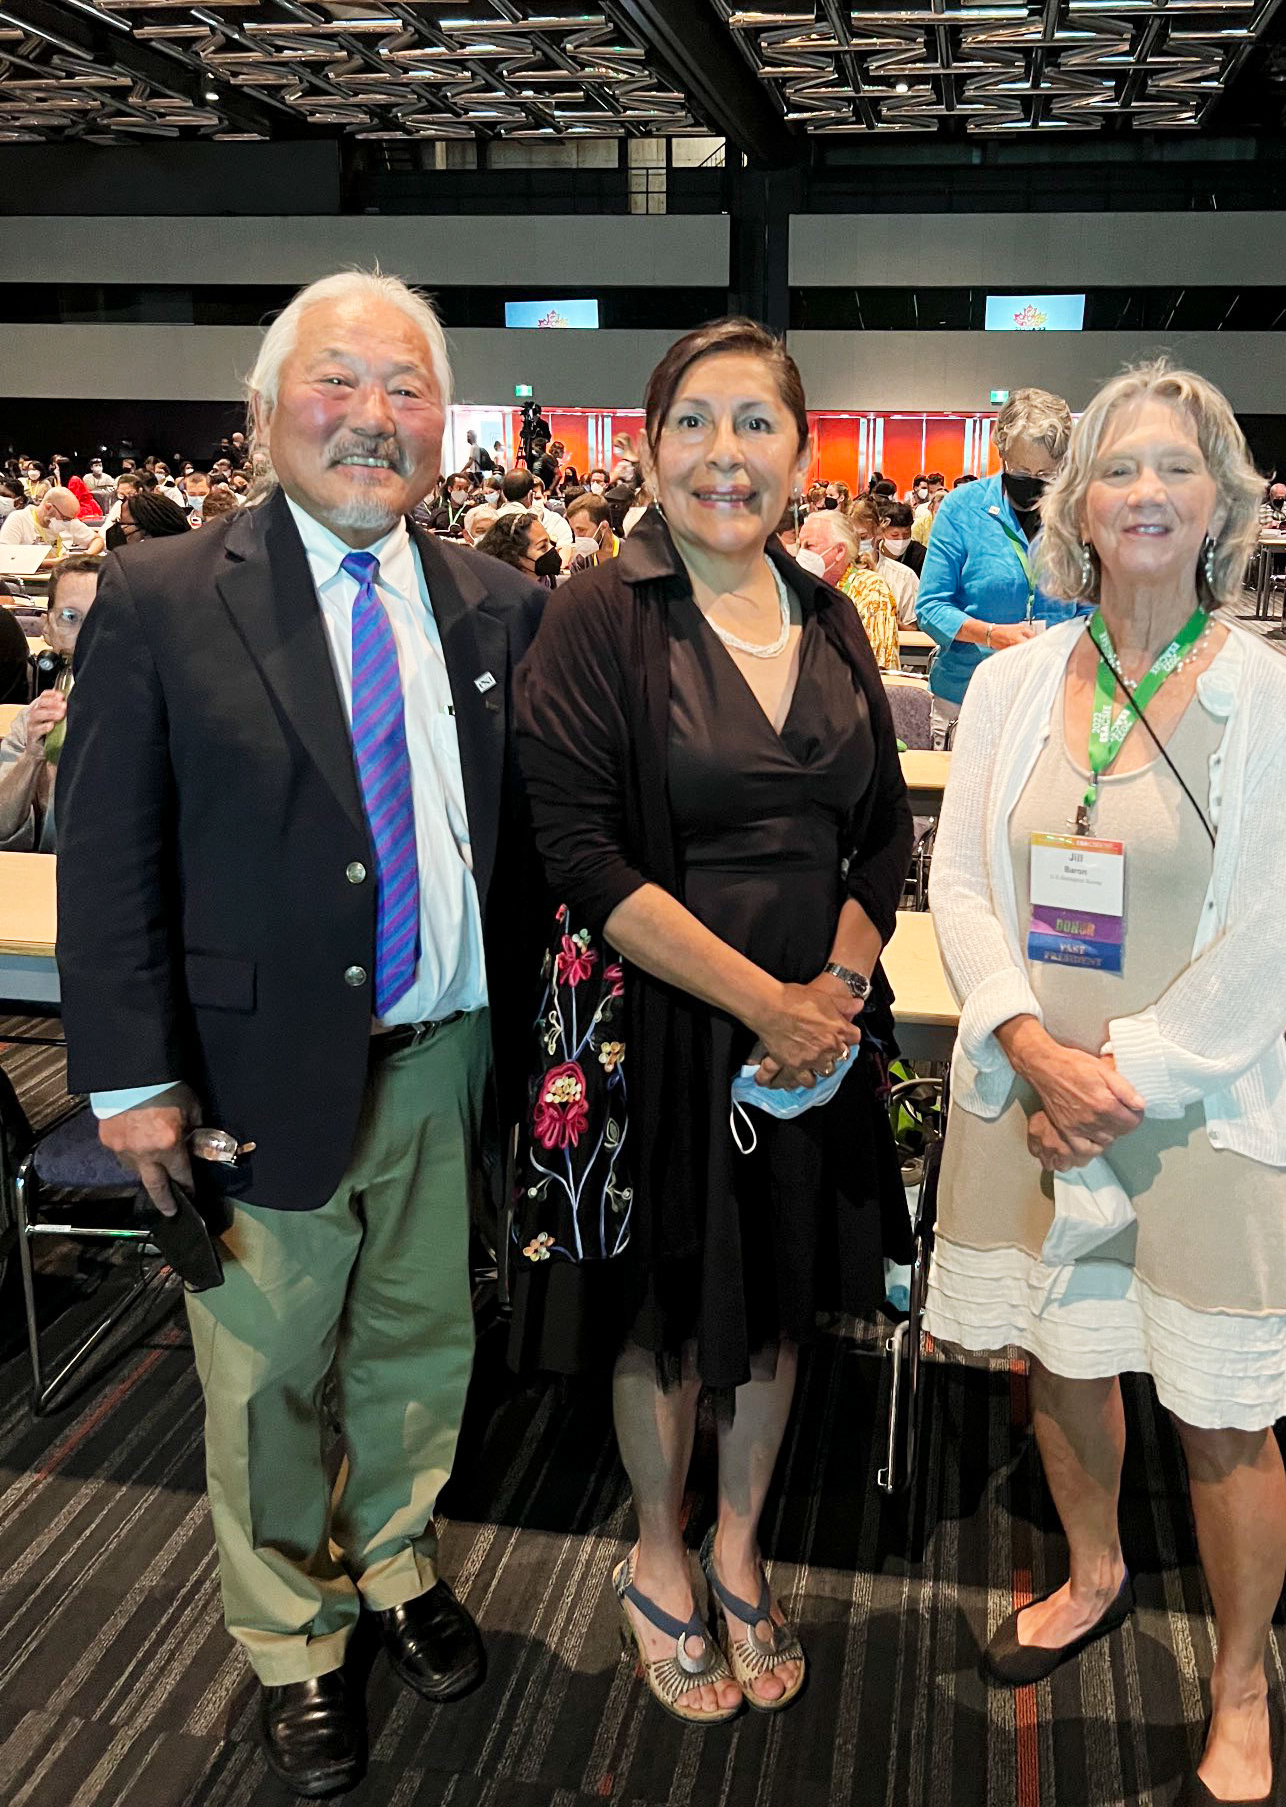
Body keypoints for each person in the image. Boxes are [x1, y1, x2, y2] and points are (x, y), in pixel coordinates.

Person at [55, 269, 545, 1797]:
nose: (372, 418)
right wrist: (130, 1079)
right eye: (338, 382)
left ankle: (394, 1562)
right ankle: (290, 1634)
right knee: (263, 1376)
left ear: (443, 426)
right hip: (246, 1074)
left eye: (406, 390)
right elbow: (108, 851)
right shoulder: (159, 596)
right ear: (270, 410)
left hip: (444, 1052)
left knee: (419, 1341)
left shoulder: (496, 602)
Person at [927, 359, 1286, 1807]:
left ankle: (1240, 1680)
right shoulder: (1019, 684)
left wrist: (1122, 1077)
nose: (1146, 491)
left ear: (1220, 502)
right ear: (1076, 506)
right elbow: (962, 883)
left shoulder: (1272, 702)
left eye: (1178, 467)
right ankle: (1094, 1570)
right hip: (1030, 1092)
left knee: (1223, 1410)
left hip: (1198, 1117)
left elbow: (1268, 933)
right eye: (1117, 468)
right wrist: (1031, 1046)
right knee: (1065, 1358)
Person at [509, 317, 912, 1729]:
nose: (724, 454)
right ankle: (660, 1552)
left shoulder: (836, 613)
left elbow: (880, 845)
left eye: (756, 424)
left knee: (784, 1299)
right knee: (669, 1317)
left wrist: (838, 998)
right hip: (664, 1034)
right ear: (647, 442)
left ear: (805, 456)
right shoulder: (595, 613)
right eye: (694, 421)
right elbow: (581, 857)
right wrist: (769, 1010)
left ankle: (740, 1544)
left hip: (818, 1032)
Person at [917, 387, 1086, 745]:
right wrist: (992, 634)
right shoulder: (962, 508)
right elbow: (931, 608)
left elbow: (1093, 608)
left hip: (1051, 698)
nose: (1034, 481)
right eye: (1022, 469)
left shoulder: (1078, 516)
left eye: (1046, 472)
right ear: (1001, 454)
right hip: (968, 695)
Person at [0, 556, 99, 852]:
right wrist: (31, 758)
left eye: (101, 619)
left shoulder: (156, 720)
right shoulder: (35, 720)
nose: (86, 636)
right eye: (70, 617)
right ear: (47, 628)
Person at [800, 508, 900, 669]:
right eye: (800, 546)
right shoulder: (801, 588)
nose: (801, 554)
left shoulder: (871, 589)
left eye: (809, 546)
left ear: (839, 551)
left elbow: (879, 664)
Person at [850, 497, 919, 627]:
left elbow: (915, 631)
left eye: (862, 537)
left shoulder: (904, 577)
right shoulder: (836, 575)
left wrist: (891, 623)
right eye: (849, 537)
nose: (855, 543)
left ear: (879, 532)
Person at [0, 485, 103, 555]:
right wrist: (56, 563)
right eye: (64, 518)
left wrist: (86, 555)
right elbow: (5, 555)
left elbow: (97, 540)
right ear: (48, 507)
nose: (67, 522)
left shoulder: (68, 521)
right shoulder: (19, 518)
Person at [479, 508, 561, 586]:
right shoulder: (501, 594)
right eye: (542, 546)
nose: (553, 550)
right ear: (516, 557)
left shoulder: (550, 581)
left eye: (550, 542)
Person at [565, 491, 618, 568]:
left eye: (581, 530)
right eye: (574, 531)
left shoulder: (632, 553)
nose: (577, 538)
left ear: (603, 527)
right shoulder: (579, 562)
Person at [878, 497, 927, 575]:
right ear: (881, 531)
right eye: (895, 535)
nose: (901, 539)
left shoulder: (921, 556)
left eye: (906, 534)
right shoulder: (874, 552)